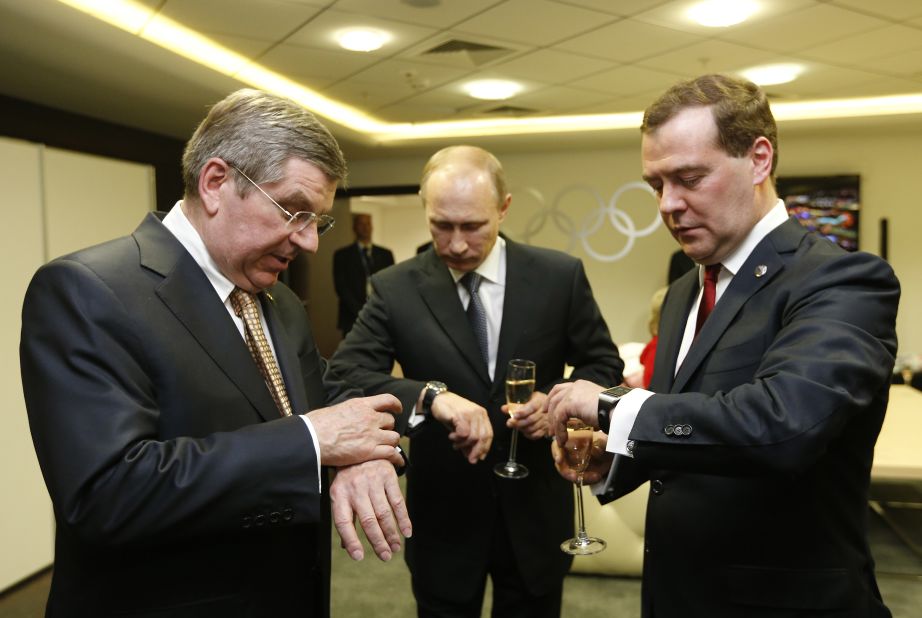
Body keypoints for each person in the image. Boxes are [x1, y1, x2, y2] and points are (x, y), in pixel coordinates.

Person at [20, 89, 412, 618]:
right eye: (293, 211)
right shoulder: (89, 290)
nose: (309, 243)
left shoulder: (280, 301)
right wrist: (314, 442)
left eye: (317, 221)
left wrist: (367, 452)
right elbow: (108, 493)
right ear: (216, 183)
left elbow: (325, 393)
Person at [548, 74, 899, 617]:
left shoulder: (842, 281)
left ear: (759, 159)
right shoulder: (686, 290)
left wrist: (612, 406)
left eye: (689, 178)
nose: (668, 204)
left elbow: (782, 426)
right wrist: (615, 456)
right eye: (655, 184)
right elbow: (690, 426)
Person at [330, 145, 623, 618]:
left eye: (473, 226)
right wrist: (429, 396)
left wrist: (557, 402)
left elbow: (602, 363)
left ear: (503, 208)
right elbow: (346, 375)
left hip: (535, 509)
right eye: (441, 226)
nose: (458, 243)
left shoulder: (557, 276)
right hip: (445, 511)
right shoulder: (394, 287)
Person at [333, 213, 395, 335]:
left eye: (368, 224)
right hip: (352, 317)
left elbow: (391, 284)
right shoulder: (342, 255)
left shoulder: (385, 254)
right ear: (354, 227)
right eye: (361, 224)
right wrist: (360, 311)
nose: (365, 227)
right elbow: (341, 287)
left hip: (380, 315)